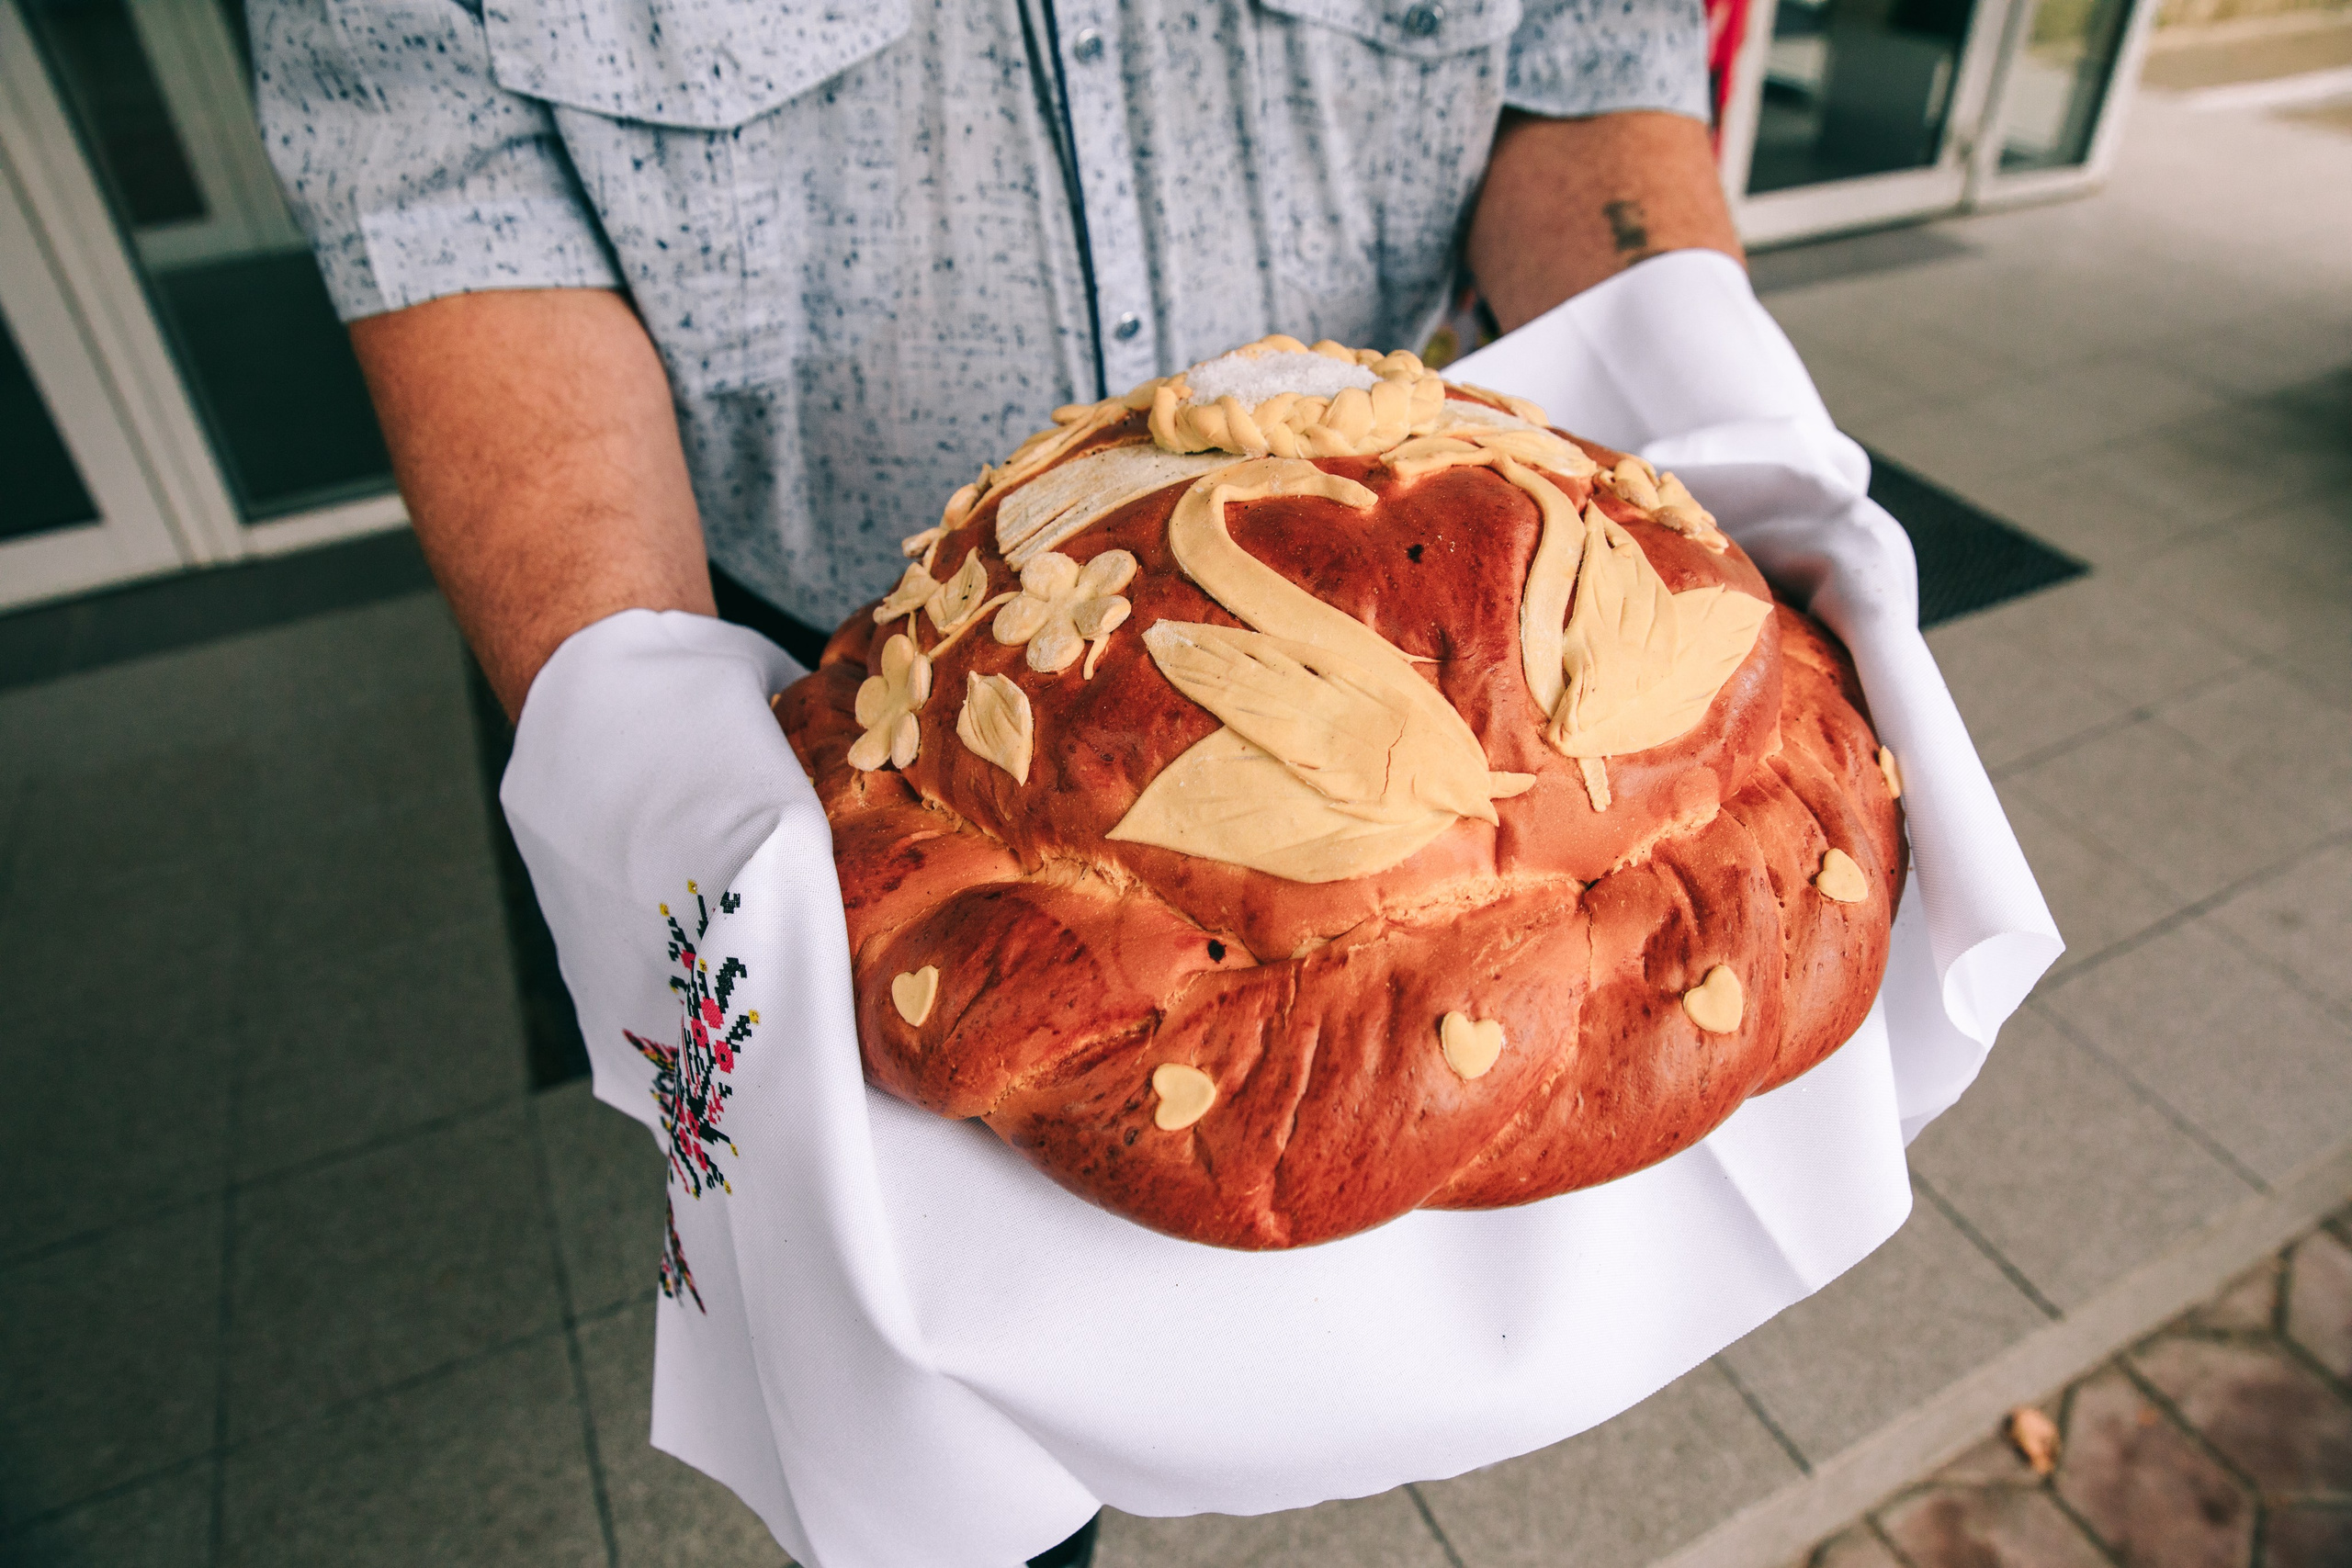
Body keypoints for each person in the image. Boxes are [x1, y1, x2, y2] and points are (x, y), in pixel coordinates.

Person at [255, 4, 1749, 1562]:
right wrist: (635, 716)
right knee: (960, 1432)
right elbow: (445, 194)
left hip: (1451, 634)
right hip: (853, 711)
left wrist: (1709, 428)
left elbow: (1585, 75)